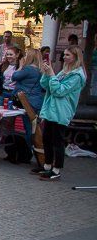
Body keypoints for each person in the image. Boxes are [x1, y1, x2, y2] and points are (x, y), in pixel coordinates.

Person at [34, 46, 87, 181]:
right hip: (52, 109)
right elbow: (47, 86)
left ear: (75, 57)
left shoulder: (77, 76)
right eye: (64, 54)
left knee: (57, 141)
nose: (64, 57)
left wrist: (52, 74)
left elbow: (59, 91)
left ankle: (56, 169)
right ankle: (46, 166)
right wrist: (46, 74)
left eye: (67, 55)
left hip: (62, 111)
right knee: (47, 138)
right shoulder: (64, 71)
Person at [0, 46, 22, 148]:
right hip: (2, 92)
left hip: (13, 94)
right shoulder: (3, 65)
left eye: (11, 54)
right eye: (7, 54)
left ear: (17, 55)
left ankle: (8, 139)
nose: (9, 56)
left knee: (11, 117)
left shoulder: (20, 66)